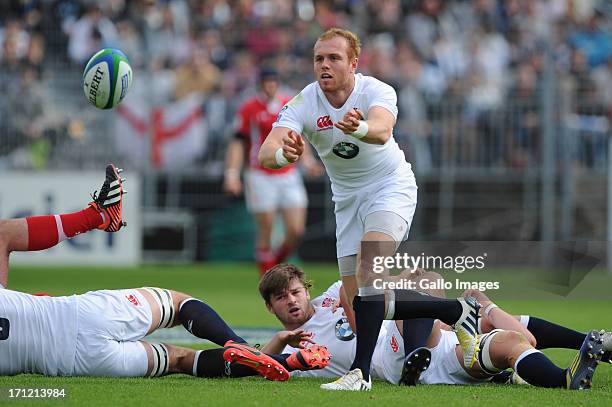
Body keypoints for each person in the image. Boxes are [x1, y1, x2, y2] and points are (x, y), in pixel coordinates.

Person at [258, 27, 480, 390]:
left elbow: (381, 129)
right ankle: (453, 311)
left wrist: (359, 126)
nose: (324, 66)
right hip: (346, 201)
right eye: (319, 59)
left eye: (333, 58)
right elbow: (266, 152)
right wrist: (285, 154)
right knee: (356, 302)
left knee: (369, 268)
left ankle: (359, 374)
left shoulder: (376, 90)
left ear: (353, 63)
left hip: (390, 187)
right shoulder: (304, 101)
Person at [0, 165, 329, 380]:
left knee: (179, 360)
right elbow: (6, 236)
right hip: (78, 317)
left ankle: (287, 362)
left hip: (73, 365)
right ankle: (99, 216)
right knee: (175, 304)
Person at [258, 264, 611, 390]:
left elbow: (379, 284)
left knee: (509, 343)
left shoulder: (336, 293)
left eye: (295, 292)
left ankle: (566, 377)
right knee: (475, 310)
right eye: (281, 298)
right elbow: (260, 364)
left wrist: (406, 275)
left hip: (440, 349)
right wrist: (278, 341)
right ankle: (424, 347)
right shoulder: (292, 346)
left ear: (307, 290)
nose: (291, 301)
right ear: (270, 306)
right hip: (391, 357)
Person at [224, 67, 321, 275]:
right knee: (266, 226)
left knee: (296, 230)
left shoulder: (288, 104)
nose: (270, 86)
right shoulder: (249, 109)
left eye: (273, 81)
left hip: (288, 173)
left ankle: (274, 265)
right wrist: (232, 174)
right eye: (266, 82)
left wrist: (309, 162)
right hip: (260, 174)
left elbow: (298, 138)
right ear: (260, 84)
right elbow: (238, 143)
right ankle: (267, 275)